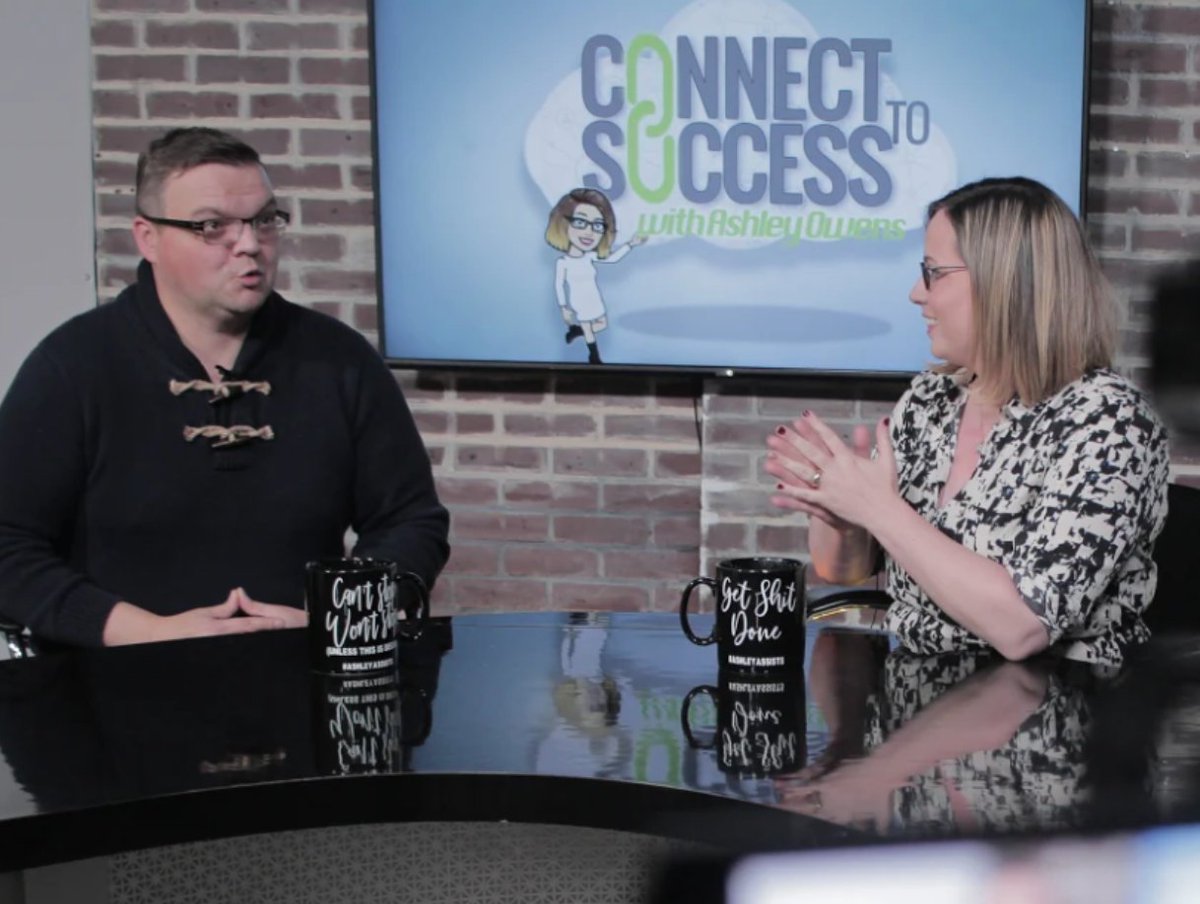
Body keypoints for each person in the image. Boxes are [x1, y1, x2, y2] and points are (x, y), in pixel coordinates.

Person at [0, 127, 449, 647]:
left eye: (265, 220)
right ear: (148, 238)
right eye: (213, 226)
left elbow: (411, 523)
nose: (250, 245)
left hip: (301, 678)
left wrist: (336, 619)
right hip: (112, 683)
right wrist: (147, 633)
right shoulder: (72, 365)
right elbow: (8, 547)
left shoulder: (339, 360)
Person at [765, 176, 1169, 666]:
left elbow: (1024, 626)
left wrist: (877, 508)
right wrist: (840, 513)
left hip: (1059, 699)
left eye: (934, 272)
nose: (917, 293)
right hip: (920, 691)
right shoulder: (930, 400)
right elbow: (844, 570)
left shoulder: (1110, 422)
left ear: (1006, 284)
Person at [544, 187, 646, 365]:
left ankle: (577, 331)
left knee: (601, 324)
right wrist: (563, 307)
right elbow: (559, 285)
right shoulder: (563, 262)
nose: (589, 232)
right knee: (589, 328)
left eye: (597, 225)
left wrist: (630, 244)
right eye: (580, 222)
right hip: (579, 300)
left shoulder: (589, 256)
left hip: (594, 298)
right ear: (562, 222)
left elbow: (612, 259)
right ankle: (594, 357)